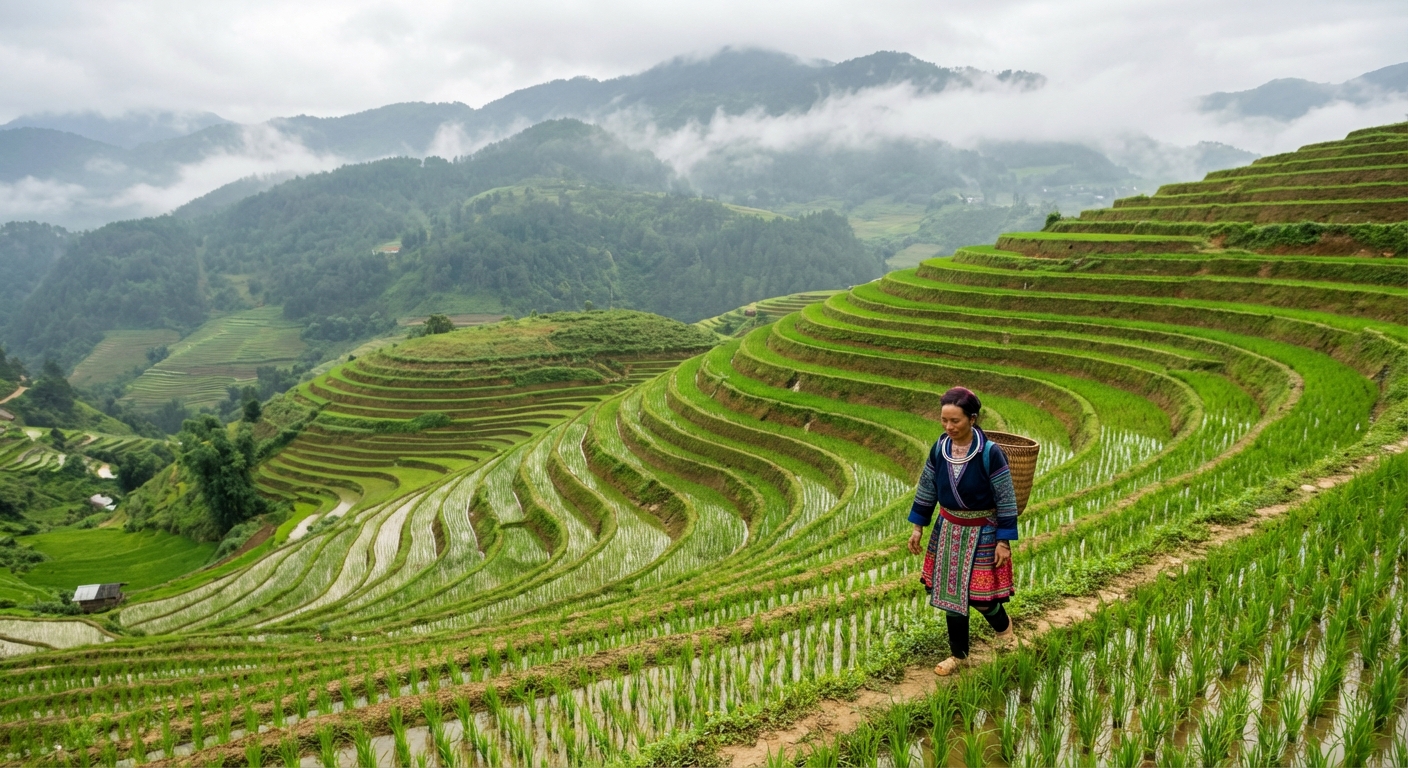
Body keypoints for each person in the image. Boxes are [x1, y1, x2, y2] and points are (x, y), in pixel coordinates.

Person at [906, 386, 1019, 676]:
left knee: (982, 598)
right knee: (951, 597)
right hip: (948, 530)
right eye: (944, 420)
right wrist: (918, 527)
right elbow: (927, 488)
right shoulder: (940, 448)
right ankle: (959, 655)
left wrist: (1004, 541)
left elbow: (1006, 497)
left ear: (972, 419)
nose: (948, 426)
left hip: (983, 531)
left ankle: (1005, 633)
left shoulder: (990, 453)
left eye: (955, 420)